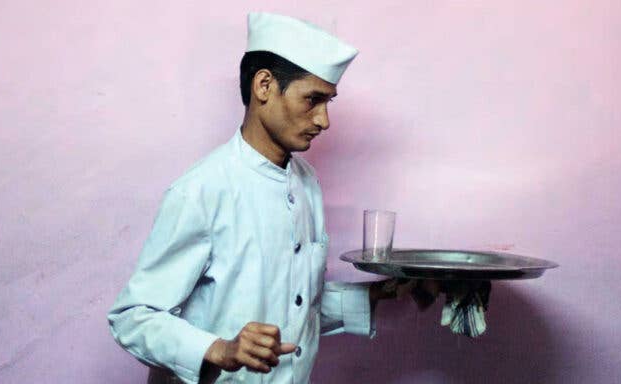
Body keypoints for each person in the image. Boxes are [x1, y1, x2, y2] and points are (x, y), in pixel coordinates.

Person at [107, 12, 426, 384]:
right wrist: (219, 349)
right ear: (263, 86)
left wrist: (386, 292)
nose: (325, 120)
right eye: (313, 99)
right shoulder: (202, 190)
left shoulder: (307, 183)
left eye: (329, 102)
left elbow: (297, 308)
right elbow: (132, 317)